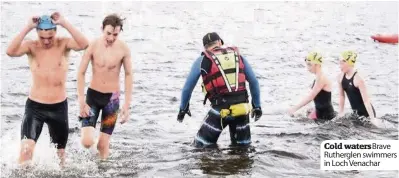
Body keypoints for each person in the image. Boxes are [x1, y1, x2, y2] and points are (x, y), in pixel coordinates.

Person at [5, 12, 88, 166]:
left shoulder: (64, 44)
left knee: (60, 157)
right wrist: (28, 27)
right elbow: (10, 51)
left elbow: (84, 44)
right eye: (42, 37)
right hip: (35, 107)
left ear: (55, 32)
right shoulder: (31, 46)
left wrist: (64, 22)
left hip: (59, 108)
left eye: (50, 37)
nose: (46, 41)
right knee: (26, 151)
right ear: (37, 33)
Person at [177, 32, 262, 147]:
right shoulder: (238, 56)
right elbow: (254, 82)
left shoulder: (202, 60)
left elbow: (187, 89)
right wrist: (257, 106)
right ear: (220, 42)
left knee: (200, 147)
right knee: (243, 149)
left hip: (219, 111)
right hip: (242, 110)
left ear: (205, 47)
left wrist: (183, 108)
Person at [77, 14, 133, 160]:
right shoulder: (93, 46)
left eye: (115, 34)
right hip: (93, 97)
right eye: (108, 33)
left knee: (102, 146)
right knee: (87, 142)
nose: (111, 38)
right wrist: (81, 101)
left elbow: (128, 75)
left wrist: (126, 106)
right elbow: (81, 73)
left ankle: (105, 169)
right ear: (102, 29)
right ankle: (94, 139)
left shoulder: (123, 49)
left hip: (112, 101)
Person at [288, 52, 336, 120]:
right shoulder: (318, 77)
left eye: (309, 65)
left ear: (317, 65)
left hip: (326, 116)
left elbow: (311, 97)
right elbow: (318, 98)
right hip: (319, 112)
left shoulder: (321, 78)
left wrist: (294, 109)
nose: (308, 68)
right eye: (307, 65)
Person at [337, 51, 376, 119]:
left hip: (367, 115)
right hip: (356, 115)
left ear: (349, 63)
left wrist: (373, 119)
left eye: (342, 63)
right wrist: (340, 113)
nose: (340, 66)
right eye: (339, 63)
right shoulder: (340, 78)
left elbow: (366, 100)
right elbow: (341, 96)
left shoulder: (358, 79)